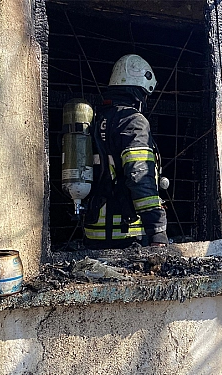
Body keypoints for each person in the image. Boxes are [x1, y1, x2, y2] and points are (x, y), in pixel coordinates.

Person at [84, 54, 168, 249]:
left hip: (93, 234)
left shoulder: (96, 120)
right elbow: (140, 175)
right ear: (138, 91)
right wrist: (157, 229)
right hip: (127, 234)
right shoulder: (134, 122)